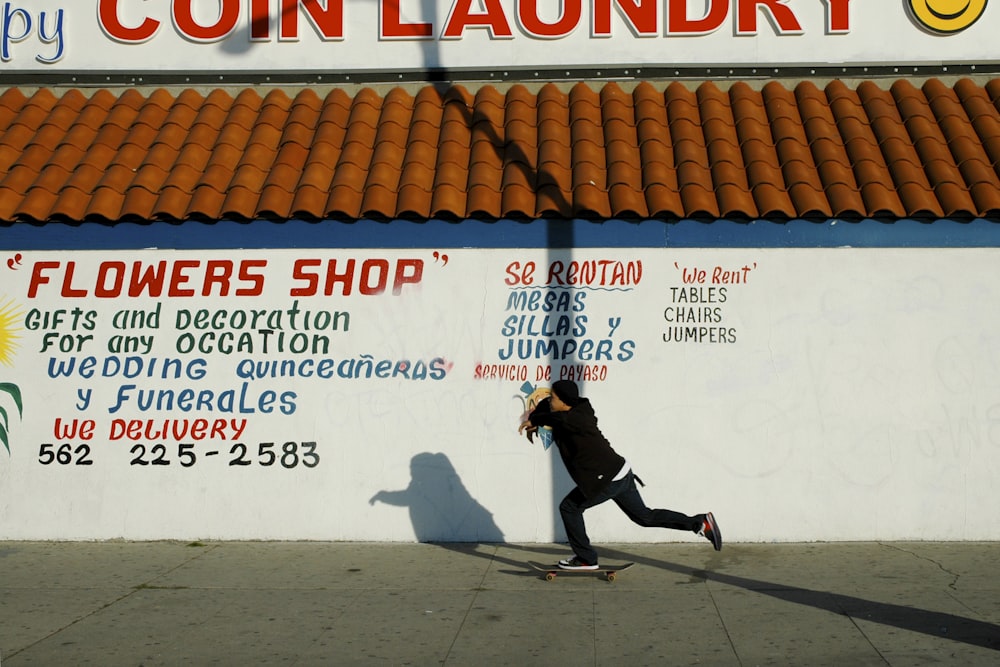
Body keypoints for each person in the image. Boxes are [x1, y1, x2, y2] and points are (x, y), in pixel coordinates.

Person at [518, 379, 722, 570]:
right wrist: (536, 418)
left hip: (605, 480)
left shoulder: (575, 419)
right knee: (644, 517)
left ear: (565, 402)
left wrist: (534, 419)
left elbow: (555, 417)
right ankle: (700, 523)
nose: (549, 400)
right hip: (620, 472)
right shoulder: (578, 408)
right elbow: (549, 408)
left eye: (554, 398)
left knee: (569, 508)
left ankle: (585, 559)